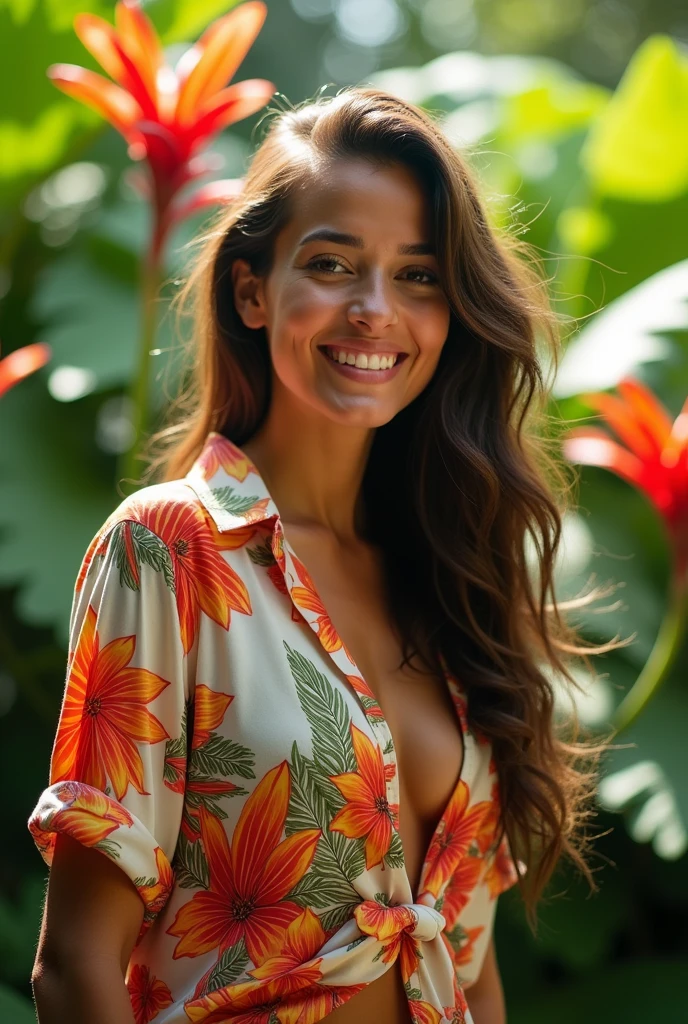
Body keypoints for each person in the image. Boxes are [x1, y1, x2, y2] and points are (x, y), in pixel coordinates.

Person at [28, 87, 617, 1024]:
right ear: (253, 291)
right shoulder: (171, 553)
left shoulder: (450, 570)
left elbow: (469, 969)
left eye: (419, 275)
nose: (376, 309)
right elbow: (74, 970)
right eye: (334, 263)